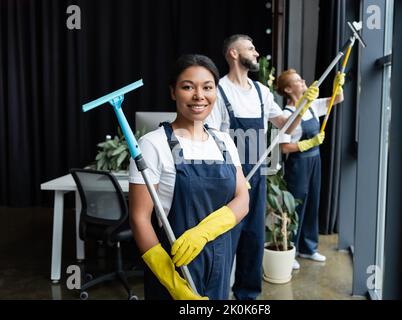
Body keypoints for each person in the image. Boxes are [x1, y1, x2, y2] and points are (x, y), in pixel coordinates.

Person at [205, 34, 319, 300]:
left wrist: (302, 107)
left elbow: (287, 126)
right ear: (234, 53)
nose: (256, 52)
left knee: (254, 239)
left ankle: (247, 297)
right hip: (230, 179)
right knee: (226, 240)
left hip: (258, 178)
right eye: (250, 48)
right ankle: (217, 297)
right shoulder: (219, 91)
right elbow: (211, 138)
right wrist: (231, 175)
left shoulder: (261, 92)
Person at [128, 54, 249, 300]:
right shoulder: (152, 144)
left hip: (220, 260)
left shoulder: (224, 141)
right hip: (175, 265)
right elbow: (139, 218)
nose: (199, 96)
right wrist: (173, 283)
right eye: (187, 87)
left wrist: (204, 231)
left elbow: (243, 198)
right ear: (173, 92)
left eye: (208, 87)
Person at [275, 68, 345, 270]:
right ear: (288, 89)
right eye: (298, 80)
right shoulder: (286, 115)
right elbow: (285, 147)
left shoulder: (312, 105)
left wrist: (338, 84)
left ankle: (308, 247)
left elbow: (337, 99)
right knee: (296, 206)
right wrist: (307, 143)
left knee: (313, 202)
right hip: (298, 163)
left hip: (315, 160)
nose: (304, 80)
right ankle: (291, 248)